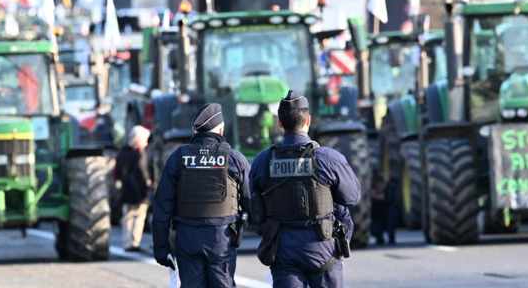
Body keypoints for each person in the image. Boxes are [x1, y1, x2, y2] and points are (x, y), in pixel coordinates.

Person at [250, 90, 361, 288]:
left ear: (280, 123)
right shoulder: (328, 158)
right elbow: (352, 197)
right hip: (323, 248)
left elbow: (255, 207)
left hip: (282, 250)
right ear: (308, 120)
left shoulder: (261, 161)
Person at [152, 103, 251, 287]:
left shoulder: (177, 158)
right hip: (222, 238)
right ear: (221, 130)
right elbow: (251, 202)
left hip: (187, 238)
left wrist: (161, 247)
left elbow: (161, 208)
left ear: (194, 130)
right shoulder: (234, 158)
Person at [116, 125, 152, 252]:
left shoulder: (122, 153)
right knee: (139, 217)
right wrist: (148, 182)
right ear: (139, 140)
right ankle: (134, 242)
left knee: (127, 217)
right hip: (139, 191)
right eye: (145, 140)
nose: (146, 143)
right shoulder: (140, 154)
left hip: (126, 190)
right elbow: (142, 171)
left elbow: (117, 173)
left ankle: (127, 243)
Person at [370, 174, 399, 245]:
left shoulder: (391, 188)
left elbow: (391, 200)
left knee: (392, 215)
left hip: (389, 212)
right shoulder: (373, 189)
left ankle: (391, 237)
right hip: (378, 214)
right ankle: (379, 237)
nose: (379, 187)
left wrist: (377, 196)